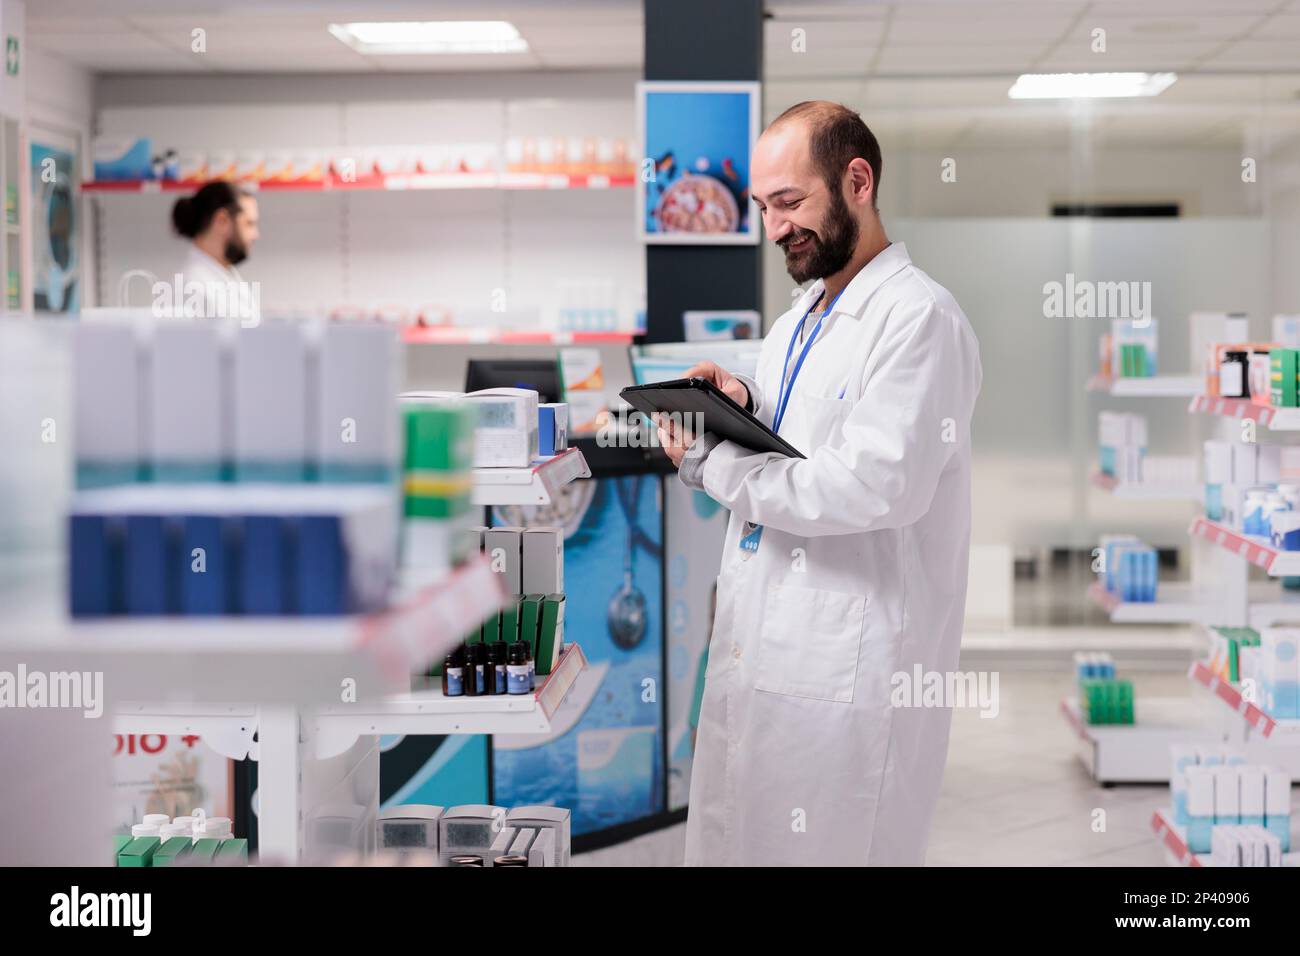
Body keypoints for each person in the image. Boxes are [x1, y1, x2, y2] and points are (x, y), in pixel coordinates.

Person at [657, 101, 982, 866]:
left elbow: (872, 487)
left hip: (851, 674)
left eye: (790, 202)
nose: (774, 228)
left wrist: (713, 464)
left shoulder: (918, 319)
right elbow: (806, 440)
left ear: (857, 181)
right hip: (767, 647)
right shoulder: (802, 315)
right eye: (764, 207)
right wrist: (742, 407)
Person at [170, 180, 260, 324]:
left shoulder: (223, 276)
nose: (256, 235)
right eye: (249, 224)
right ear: (222, 221)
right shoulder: (191, 288)